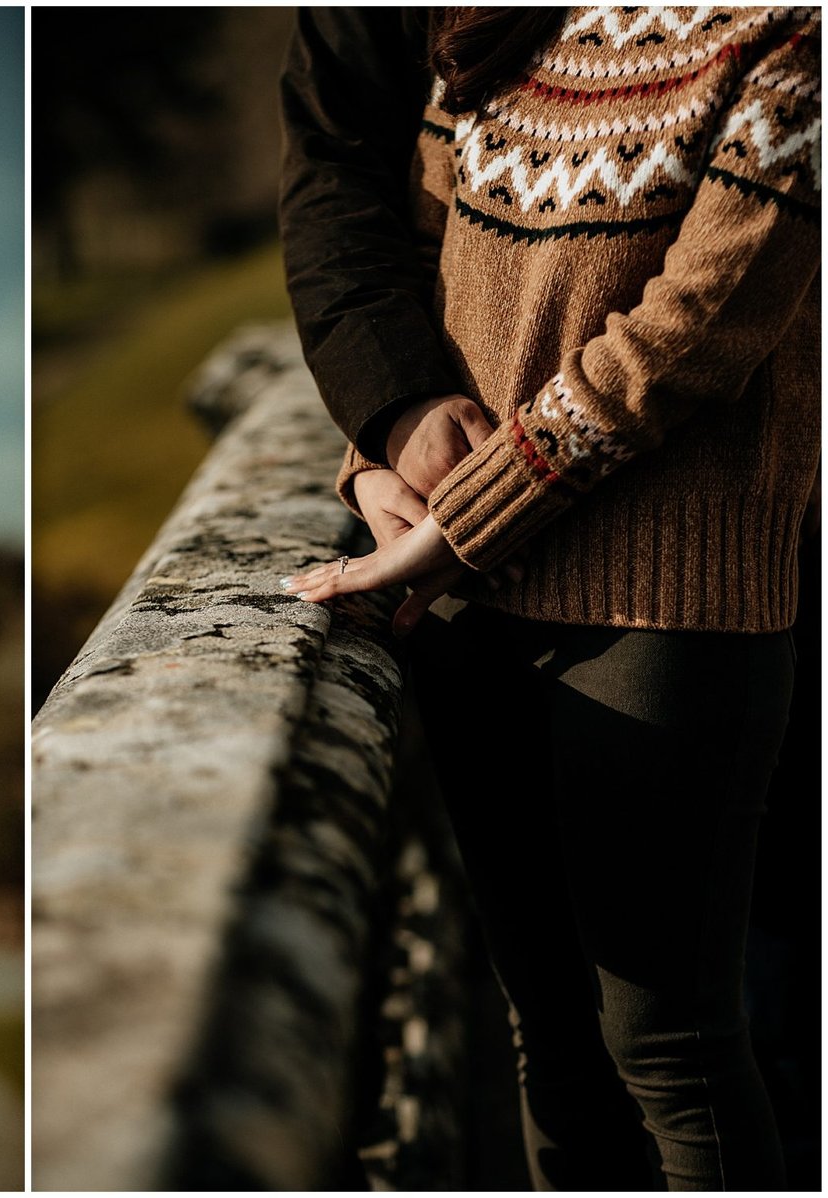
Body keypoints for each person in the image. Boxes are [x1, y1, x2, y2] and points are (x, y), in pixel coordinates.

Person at [280, 7, 818, 1190]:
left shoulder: (784, 38)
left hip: (671, 604)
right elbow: (419, 259)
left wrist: (469, 517)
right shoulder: (501, 25)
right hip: (474, 607)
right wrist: (374, 461)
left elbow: (692, 335)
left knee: (668, 1045)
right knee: (552, 1043)